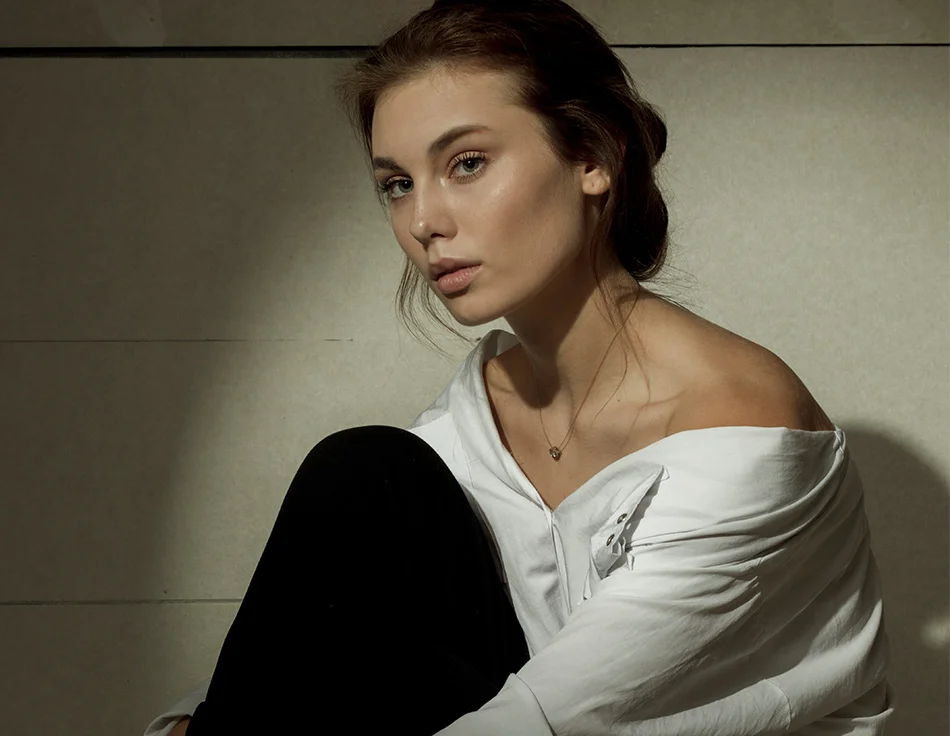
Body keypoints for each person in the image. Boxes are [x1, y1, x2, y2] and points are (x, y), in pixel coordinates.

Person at [144, 1, 895, 733]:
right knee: (364, 473)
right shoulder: (480, 410)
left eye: (466, 164)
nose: (423, 221)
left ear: (594, 157)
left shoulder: (741, 430)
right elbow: (316, 626)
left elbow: (554, 719)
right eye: (397, 184)